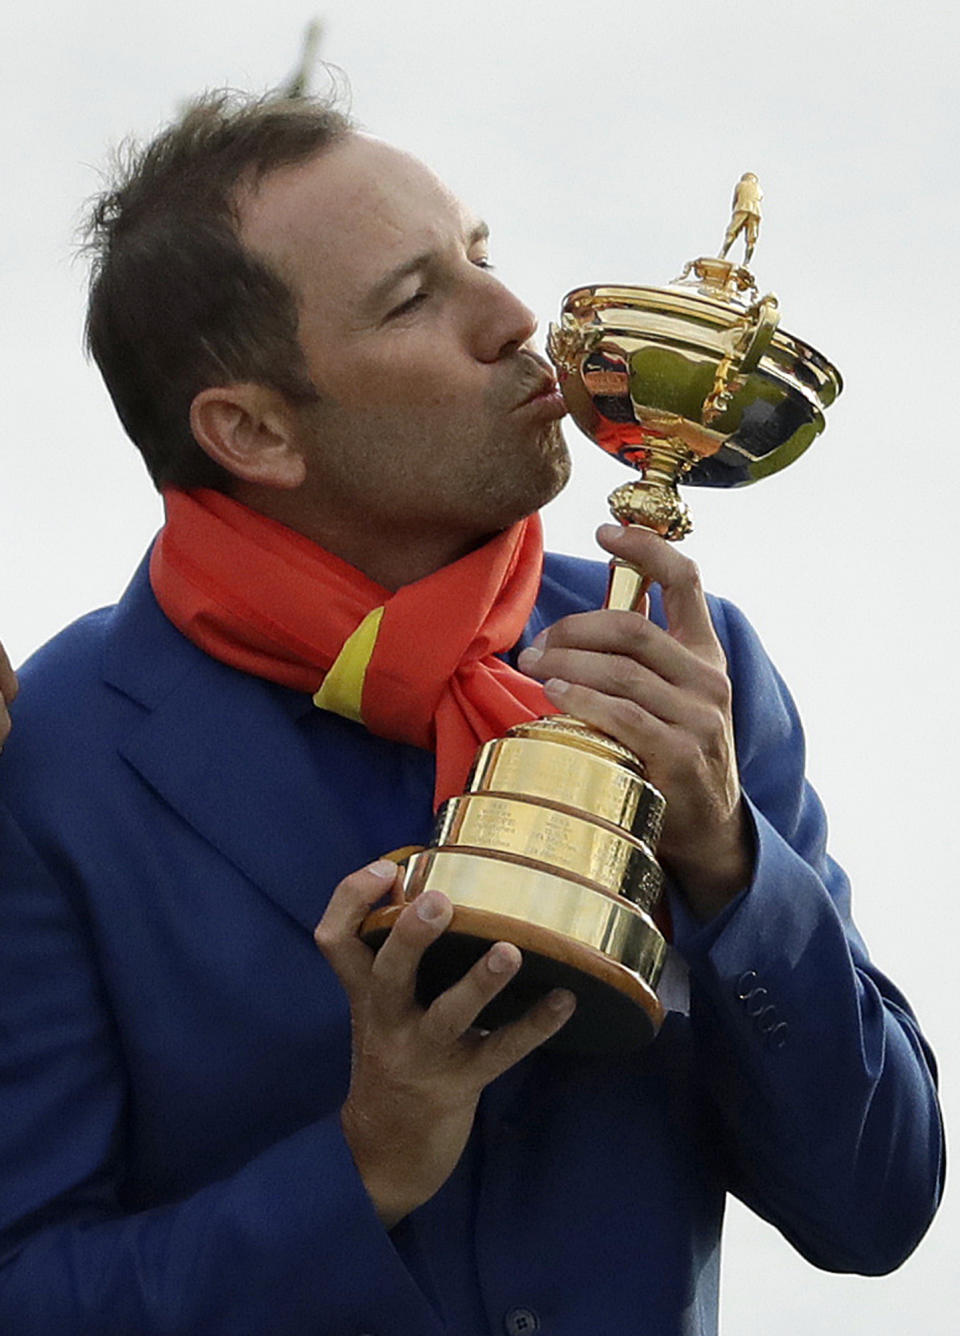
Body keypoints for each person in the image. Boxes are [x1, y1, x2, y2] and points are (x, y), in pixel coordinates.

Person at [0, 92, 943, 1336]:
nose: (514, 319)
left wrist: (730, 862)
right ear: (253, 430)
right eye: (412, 299)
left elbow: (877, 1207)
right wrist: (363, 1167)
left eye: (482, 254)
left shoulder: (679, 672)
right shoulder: (61, 757)